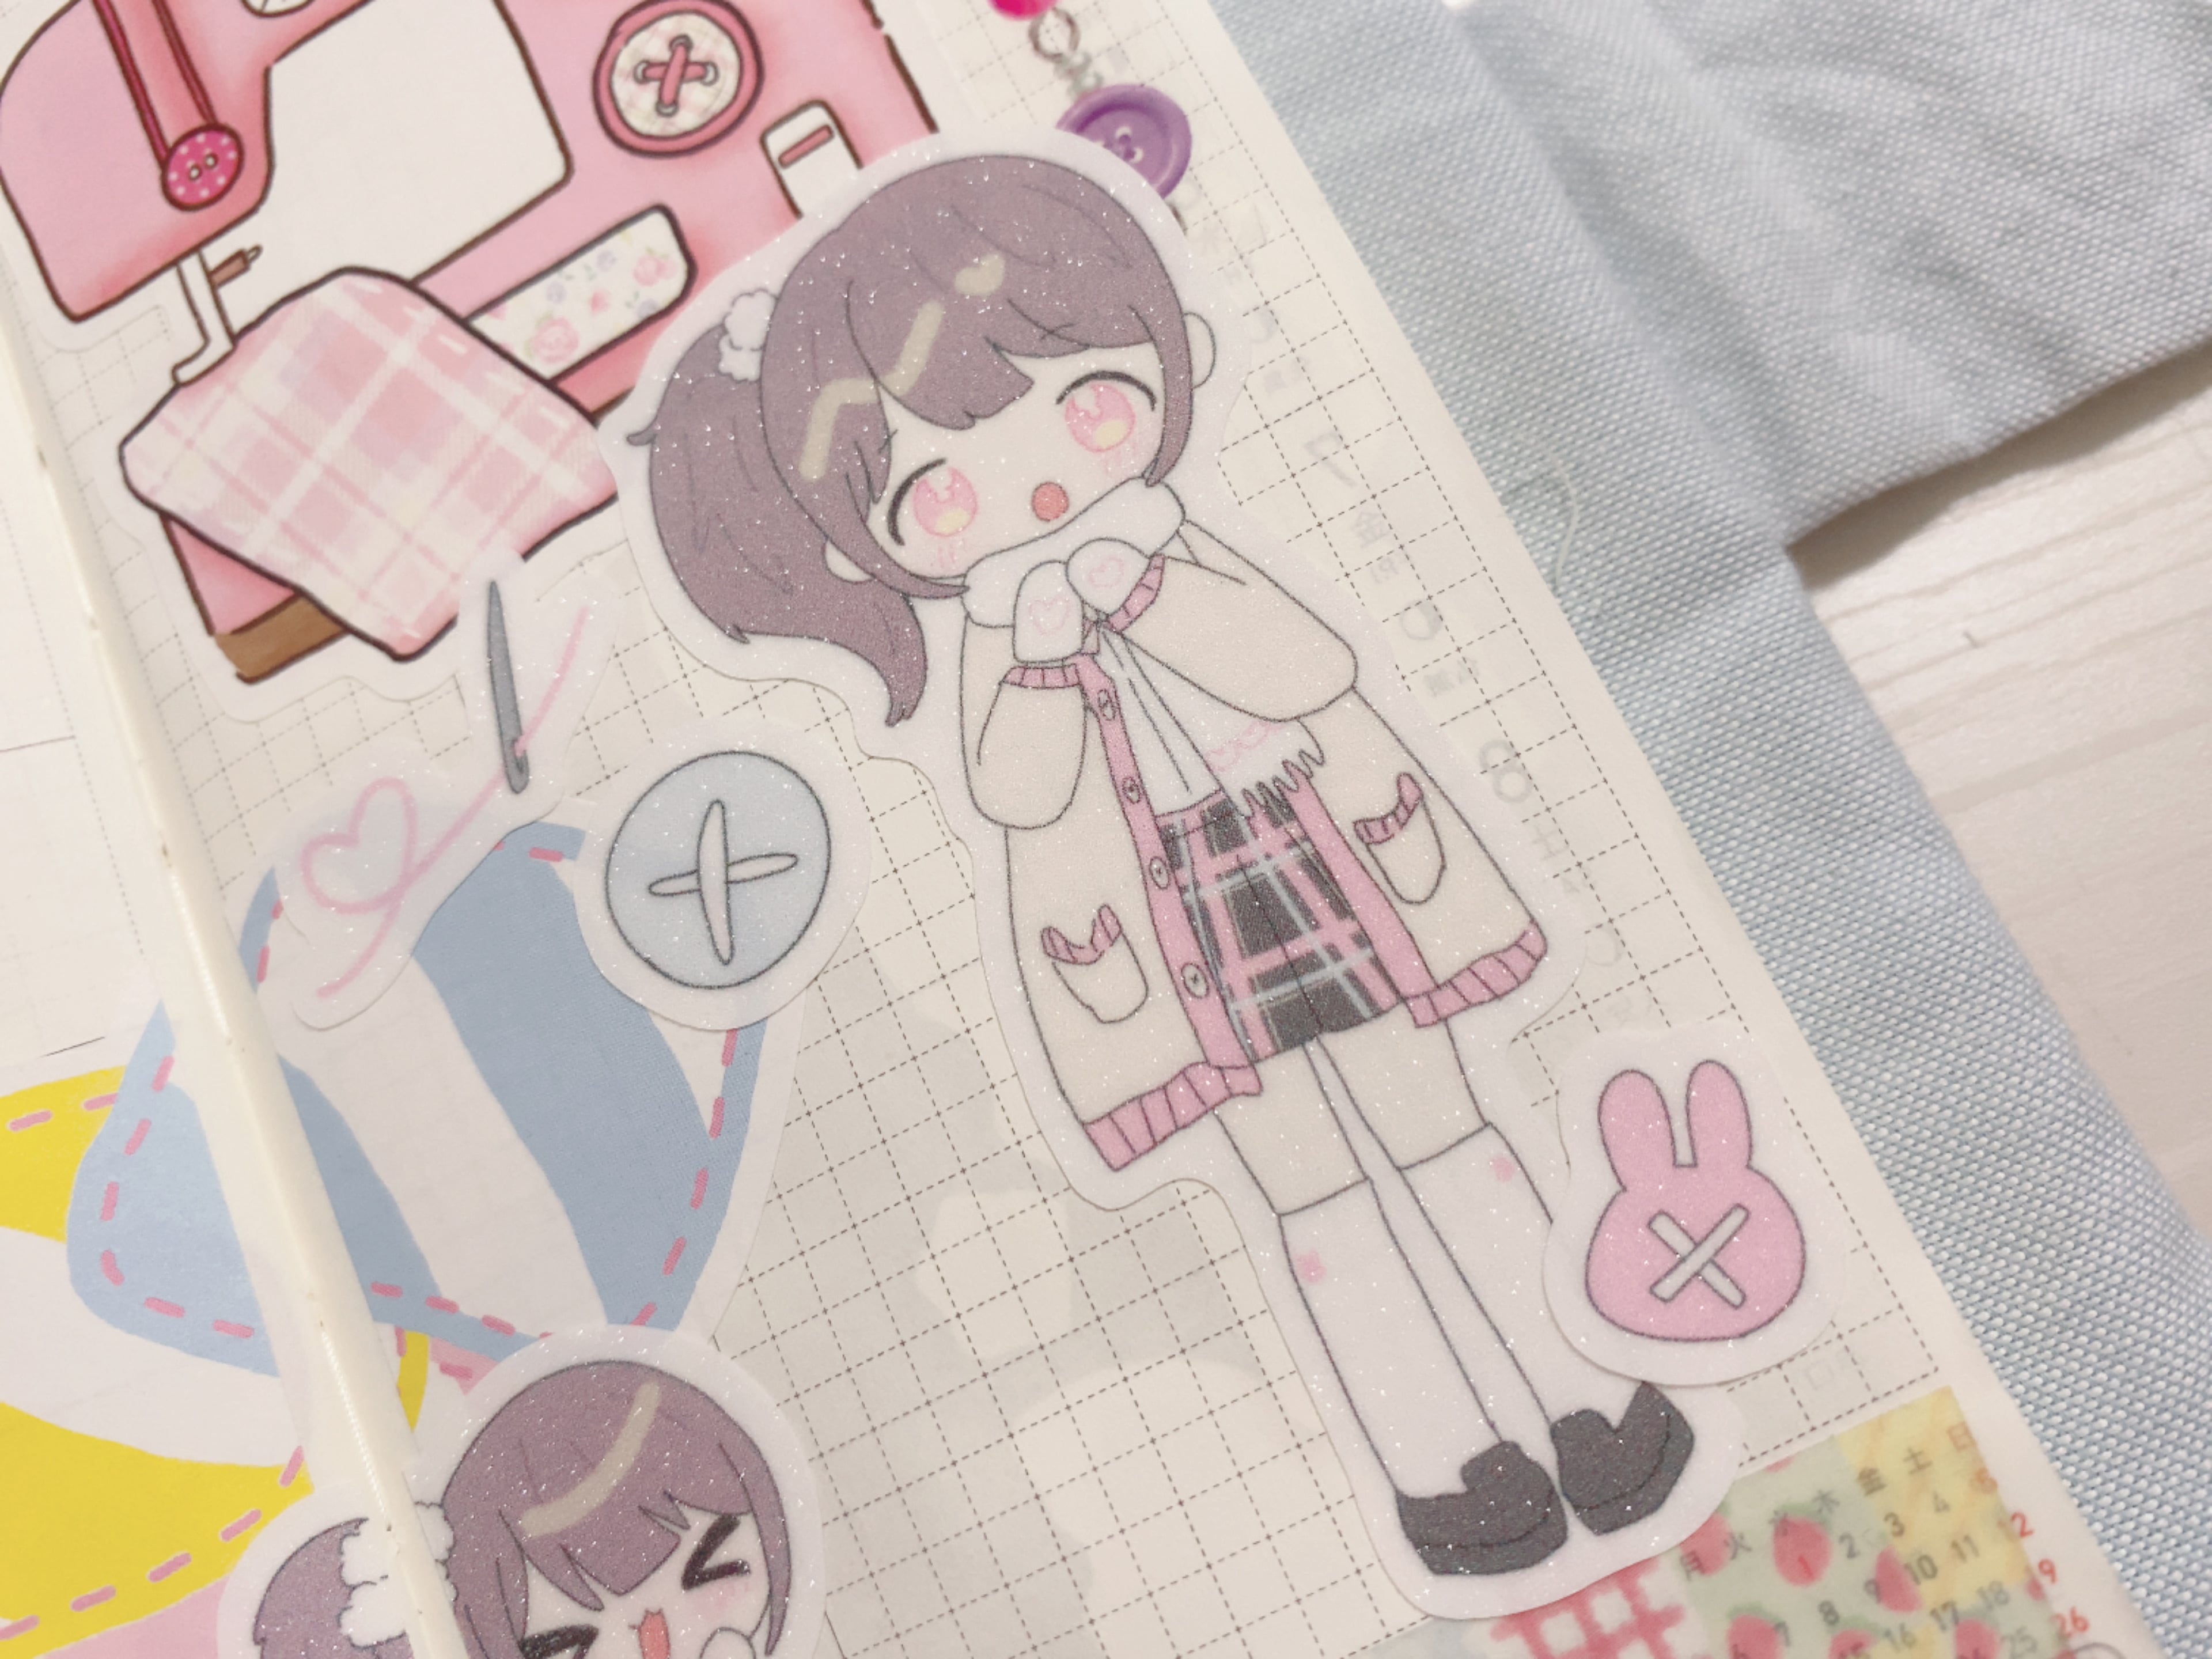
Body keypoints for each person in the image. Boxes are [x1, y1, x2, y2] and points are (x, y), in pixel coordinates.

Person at [633, 149, 1694, 1575]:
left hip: (1328, 862)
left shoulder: (1173, 548)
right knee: (1309, 1189)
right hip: (1161, 941)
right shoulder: (1003, 631)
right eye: (937, 493)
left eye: (1083, 405)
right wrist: (1042, 660)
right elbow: (1016, 790)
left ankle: (1598, 1403)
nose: (1031, 485)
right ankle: (1447, 1473)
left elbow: (1306, 668)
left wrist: (1145, 594)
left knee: (1444, 1129)